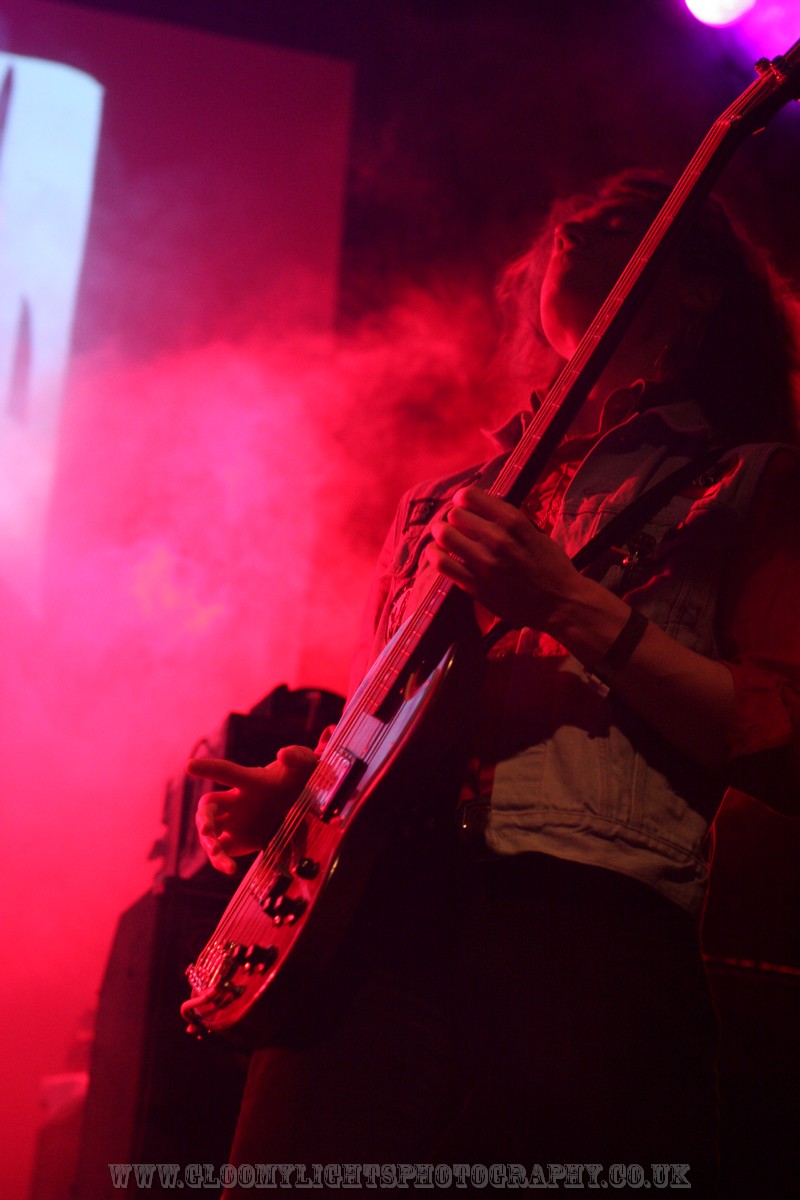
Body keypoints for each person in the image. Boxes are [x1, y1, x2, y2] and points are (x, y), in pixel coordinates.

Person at [187, 172, 800, 1196]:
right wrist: (304, 798)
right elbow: (383, 734)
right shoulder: (438, 502)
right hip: (373, 931)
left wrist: (565, 602)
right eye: (572, 219)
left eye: (623, 219)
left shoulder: (753, 481)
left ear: (698, 285)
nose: (576, 225)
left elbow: (784, 742)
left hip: (590, 939)